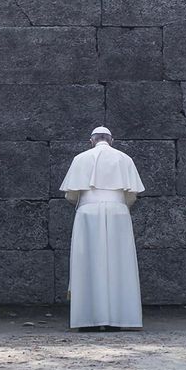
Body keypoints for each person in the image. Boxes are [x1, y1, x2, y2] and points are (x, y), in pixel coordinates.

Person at [59, 126, 145, 331]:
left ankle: (88, 320)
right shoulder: (125, 159)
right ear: (111, 140)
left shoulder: (80, 159)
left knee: (88, 263)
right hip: (118, 213)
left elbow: (71, 195)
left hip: (88, 214)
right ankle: (118, 319)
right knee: (119, 264)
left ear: (92, 141)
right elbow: (132, 195)